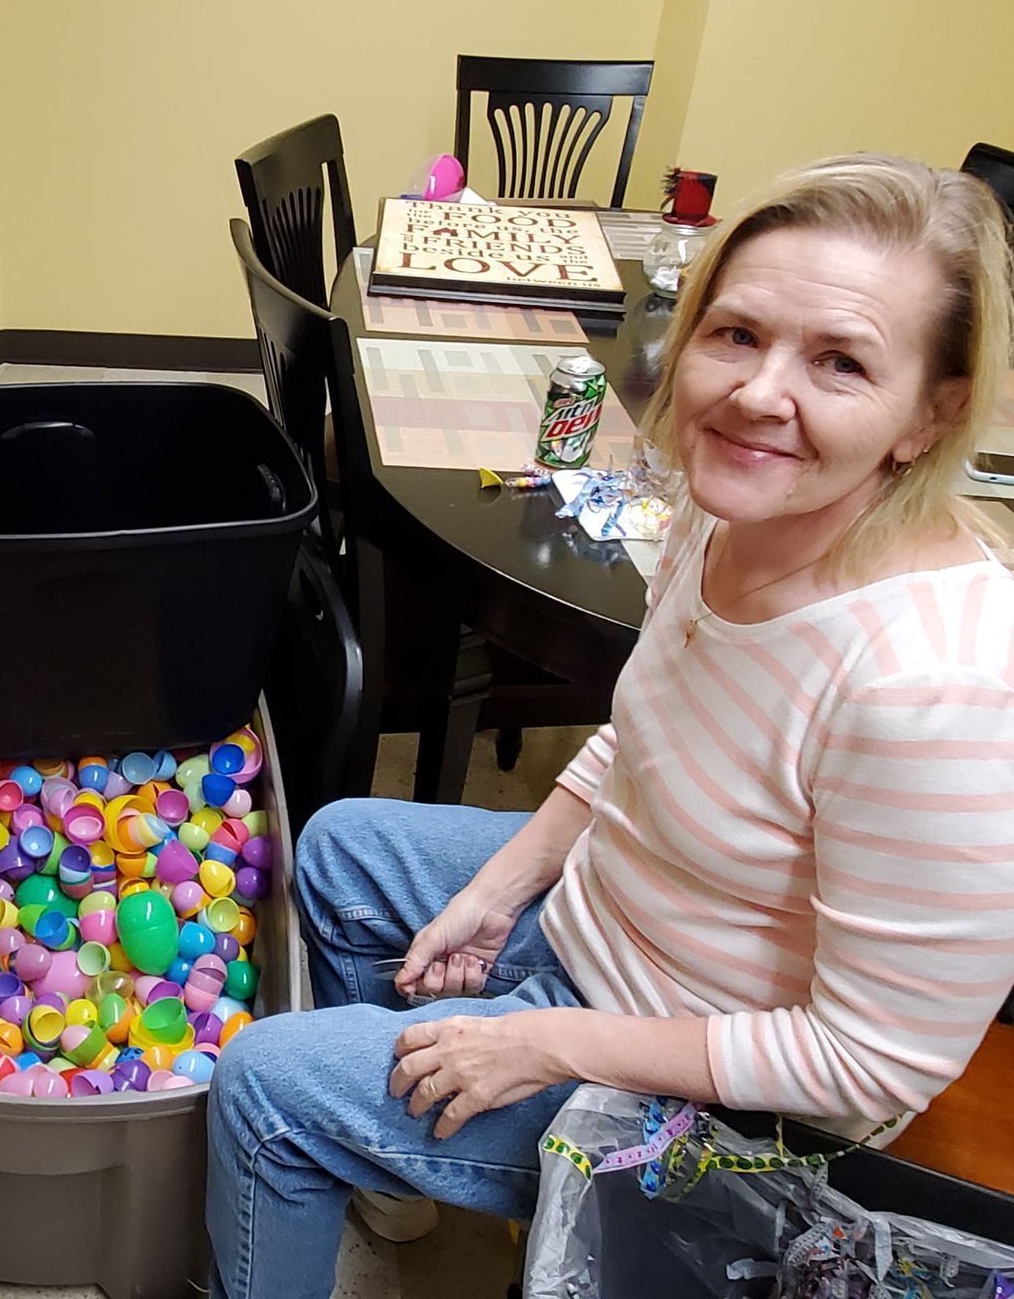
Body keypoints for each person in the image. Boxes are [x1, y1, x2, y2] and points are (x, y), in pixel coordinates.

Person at [206, 153, 1014, 1299]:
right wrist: (502, 890)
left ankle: (339, 1130)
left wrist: (547, 1041)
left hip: (741, 1097)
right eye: (736, 335)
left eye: (840, 361)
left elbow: (863, 1063)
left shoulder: (933, 690)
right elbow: (645, 732)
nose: (757, 393)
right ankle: (398, 1160)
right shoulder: (729, 505)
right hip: (616, 922)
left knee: (266, 1086)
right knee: (336, 850)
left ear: (929, 414)